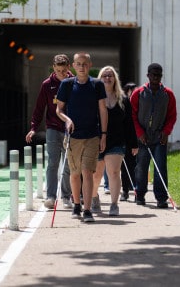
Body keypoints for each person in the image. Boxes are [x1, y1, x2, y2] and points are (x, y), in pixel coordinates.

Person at [56, 52, 108, 222]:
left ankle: (87, 209)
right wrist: (67, 120)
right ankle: (76, 204)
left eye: (85, 64)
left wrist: (104, 135)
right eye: (78, 64)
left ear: (90, 65)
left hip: (92, 135)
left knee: (88, 172)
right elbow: (59, 110)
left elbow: (103, 110)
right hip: (73, 137)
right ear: (73, 66)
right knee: (75, 173)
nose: (82, 67)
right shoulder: (66, 85)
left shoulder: (97, 84)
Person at [25, 54, 74, 210]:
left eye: (64, 70)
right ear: (53, 68)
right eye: (58, 70)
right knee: (53, 163)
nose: (61, 73)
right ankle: (51, 196)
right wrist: (33, 128)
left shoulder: (74, 82)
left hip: (70, 129)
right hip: (52, 127)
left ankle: (66, 196)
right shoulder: (47, 85)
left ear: (69, 68)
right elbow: (39, 108)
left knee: (68, 165)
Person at [92, 66, 138, 216]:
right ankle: (94, 198)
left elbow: (129, 123)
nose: (107, 78)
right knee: (96, 174)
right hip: (96, 139)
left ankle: (114, 204)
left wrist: (133, 143)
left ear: (115, 79)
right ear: (100, 78)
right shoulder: (93, 97)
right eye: (104, 75)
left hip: (117, 140)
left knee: (114, 172)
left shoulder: (123, 99)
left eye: (110, 75)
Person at [130, 63, 177, 207]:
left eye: (159, 75)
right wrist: (139, 133)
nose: (156, 77)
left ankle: (161, 198)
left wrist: (166, 132)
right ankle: (140, 194)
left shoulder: (168, 94)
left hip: (159, 137)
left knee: (160, 167)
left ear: (161, 76)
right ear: (148, 75)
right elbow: (132, 115)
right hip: (143, 137)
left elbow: (172, 116)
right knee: (141, 167)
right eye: (153, 74)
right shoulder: (138, 93)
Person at [120, 82, 137, 201]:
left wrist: (134, 143)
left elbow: (130, 123)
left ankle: (129, 189)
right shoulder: (123, 100)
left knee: (130, 165)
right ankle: (124, 190)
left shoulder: (136, 102)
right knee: (122, 166)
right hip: (118, 137)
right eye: (132, 90)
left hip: (130, 137)